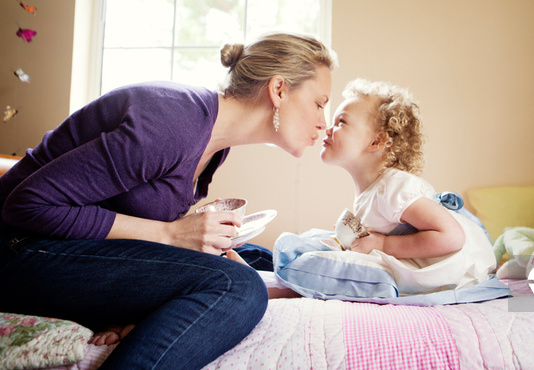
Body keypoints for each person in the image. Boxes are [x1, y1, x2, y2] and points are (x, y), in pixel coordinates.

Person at [0, 33, 337, 369]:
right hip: (17, 250)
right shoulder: (171, 124)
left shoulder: (214, 146)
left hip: (64, 249)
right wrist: (170, 234)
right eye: (320, 103)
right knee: (236, 284)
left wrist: (185, 242)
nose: (323, 122)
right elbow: (26, 204)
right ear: (278, 89)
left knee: (254, 257)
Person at [273, 78, 495, 298]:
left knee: (333, 260)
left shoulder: (393, 187)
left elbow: (451, 236)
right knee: (322, 241)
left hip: (461, 270)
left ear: (376, 142)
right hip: (426, 261)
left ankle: (287, 279)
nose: (328, 129)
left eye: (341, 122)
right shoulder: (371, 189)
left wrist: (384, 243)